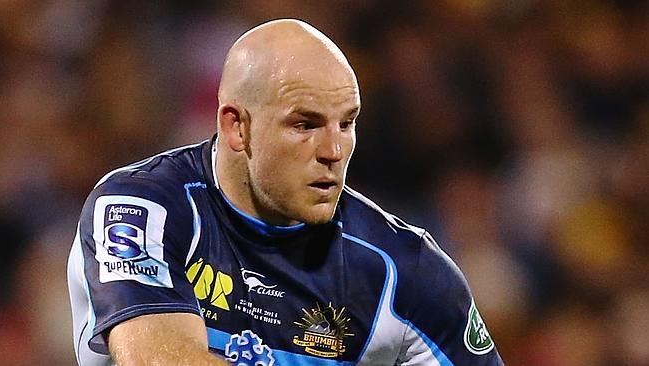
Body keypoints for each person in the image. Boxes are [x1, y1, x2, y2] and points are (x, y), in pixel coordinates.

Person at [67, 18, 504, 366]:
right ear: (236, 126)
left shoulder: (404, 272)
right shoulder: (140, 207)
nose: (333, 151)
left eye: (346, 123)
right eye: (305, 125)